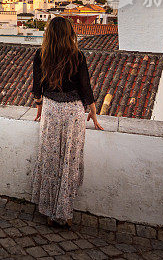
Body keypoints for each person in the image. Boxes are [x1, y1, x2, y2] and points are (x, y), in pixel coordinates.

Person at [31, 16, 103, 229]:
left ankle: (49, 212)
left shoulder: (41, 55)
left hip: (52, 109)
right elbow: (85, 87)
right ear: (69, 33)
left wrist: (39, 107)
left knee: (51, 159)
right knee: (68, 162)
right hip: (73, 112)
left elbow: (37, 88)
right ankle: (65, 213)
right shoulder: (77, 56)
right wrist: (94, 113)